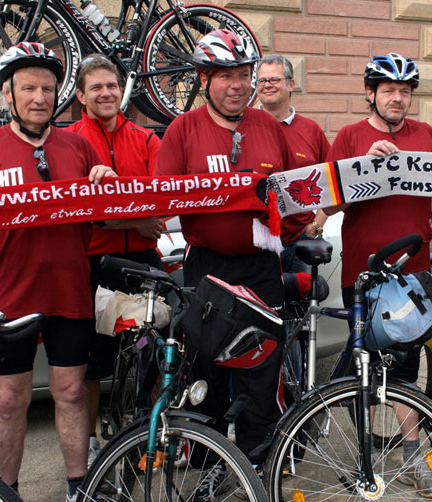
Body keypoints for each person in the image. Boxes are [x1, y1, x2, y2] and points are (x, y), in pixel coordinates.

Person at [0, 42, 115, 502]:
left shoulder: (79, 146)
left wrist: (104, 186)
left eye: (47, 88)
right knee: (9, 402)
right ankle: (8, 492)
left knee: (71, 394)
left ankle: (79, 488)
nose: (39, 97)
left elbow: (105, 216)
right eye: (28, 88)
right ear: (7, 94)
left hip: (69, 291)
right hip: (10, 296)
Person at [154, 29, 293, 497]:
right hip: (208, 267)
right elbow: (158, 198)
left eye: (243, 75)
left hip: (261, 266)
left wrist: (303, 220)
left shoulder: (270, 127)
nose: (237, 85)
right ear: (204, 78)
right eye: (226, 76)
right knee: (208, 370)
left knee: (262, 368)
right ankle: (212, 463)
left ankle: (258, 459)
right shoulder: (183, 130)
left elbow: (293, 194)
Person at [326, 53, 432, 498]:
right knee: (363, 367)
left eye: (405, 91)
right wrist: (364, 165)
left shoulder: (426, 134)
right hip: (363, 270)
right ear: (370, 94)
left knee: (405, 369)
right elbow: (333, 203)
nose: (398, 98)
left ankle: (413, 459)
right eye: (389, 90)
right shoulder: (351, 136)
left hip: (412, 268)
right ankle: (360, 458)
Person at [65, 54, 163, 467]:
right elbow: (75, 209)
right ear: (81, 95)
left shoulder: (146, 139)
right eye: (97, 87)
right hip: (92, 262)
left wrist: (130, 217)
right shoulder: (67, 140)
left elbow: (162, 206)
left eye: (112, 85)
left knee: (154, 354)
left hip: (144, 259)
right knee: (91, 364)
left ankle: (147, 434)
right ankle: (87, 442)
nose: (106, 93)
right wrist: (133, 219)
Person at [255, 54, 329, 272]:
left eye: (274, 80)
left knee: (300, 302)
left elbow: (333, 181)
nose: (267, 85)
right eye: (262, 81)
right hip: (257, 242)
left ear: (291, 84)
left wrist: (317, 224)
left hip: (299, 240)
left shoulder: (311, 130)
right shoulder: (244, 127)